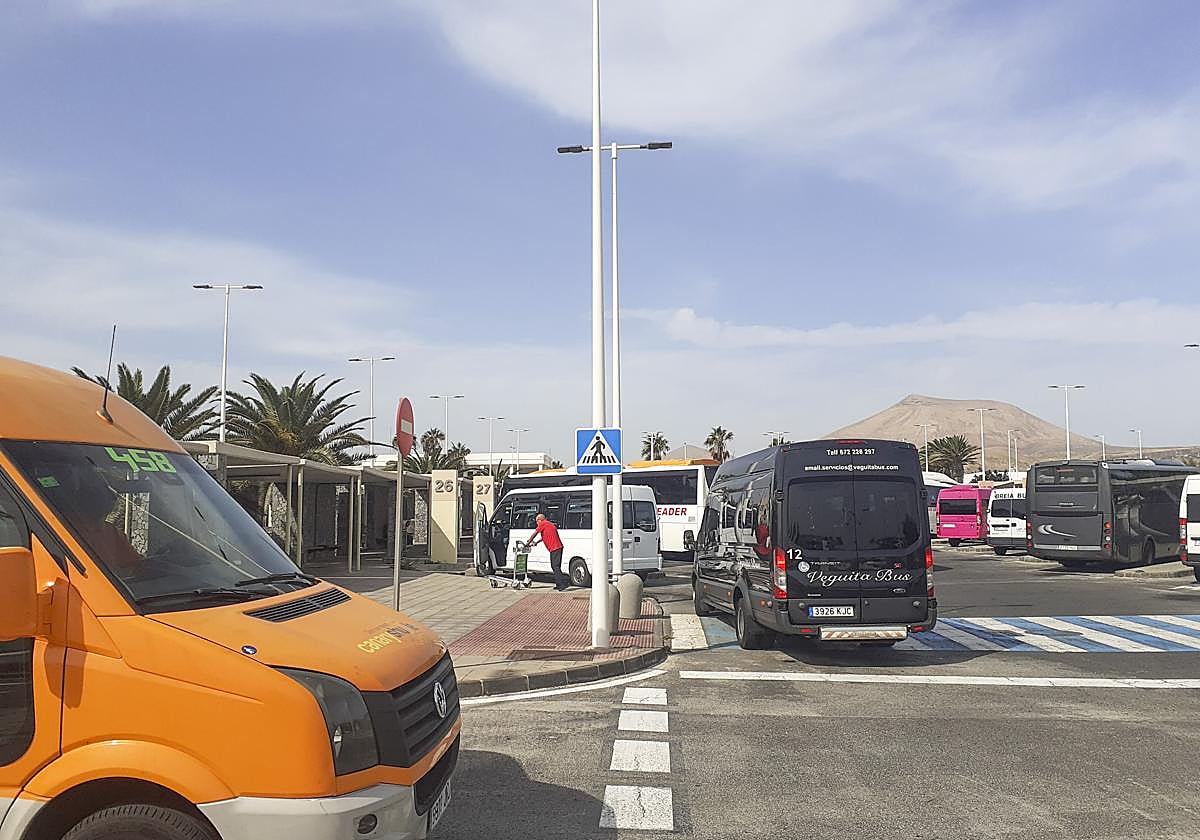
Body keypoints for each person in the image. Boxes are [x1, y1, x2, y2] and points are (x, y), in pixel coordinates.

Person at [527, 512, 567, 590]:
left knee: (555, 566)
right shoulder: (548, 524)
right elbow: (544, 536)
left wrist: (528, 542)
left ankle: (562, 584)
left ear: (539, 520)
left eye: (536, 522)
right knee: (556, 566)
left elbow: (534, 533)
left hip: (555, 548)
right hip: (557, 547)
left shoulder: (543, 523)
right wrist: (536, 542)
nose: (536, 524)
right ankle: (559, 584)